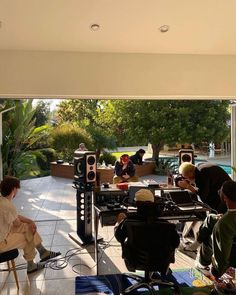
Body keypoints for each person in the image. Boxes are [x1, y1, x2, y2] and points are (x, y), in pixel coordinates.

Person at [0, 176, 61, 274]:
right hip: (2, 243)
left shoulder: (2, 201)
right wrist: (28, 223)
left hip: (4, 233)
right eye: (17, 189)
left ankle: (42, 253)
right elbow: (17, 223)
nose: (17, 191)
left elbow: (15, 217)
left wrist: (30, 221)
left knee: (27, 227)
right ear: (13, 189)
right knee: (28, 237)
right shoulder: (8, 205)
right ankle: (33, 263)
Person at [114, 189, 180, 269]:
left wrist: (118, 224)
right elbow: (176, 243)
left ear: (136, 204)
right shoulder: (166, 224)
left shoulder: (128, 222)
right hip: (161, 261)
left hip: (134, 260)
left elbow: (119, 237)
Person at [195, 180, 236, 283]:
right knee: (211, 218)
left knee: (210, 235)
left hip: (233, 255)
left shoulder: (224, 223)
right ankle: (197, 245)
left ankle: (202, 263)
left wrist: (216, 273)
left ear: (225, 197)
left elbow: (222, 253)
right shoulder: (227, 219)